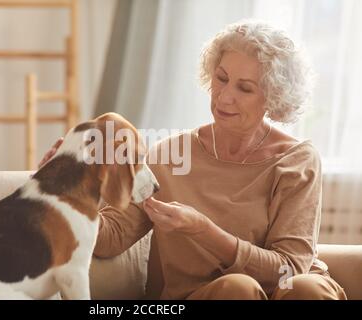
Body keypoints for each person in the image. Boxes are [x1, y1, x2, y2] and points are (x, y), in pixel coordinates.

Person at [38, 20, 347, 300]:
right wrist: (62, 190)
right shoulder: (170, 155)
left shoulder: (296, 161)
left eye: (245, 88)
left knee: (308, 288)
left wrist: (203, 231)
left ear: (274, 97)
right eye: (221, 78)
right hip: (204, 295)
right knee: (238, 288)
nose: (225, 97)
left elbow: (290, 269)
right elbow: (112, 237)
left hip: (287, 291)